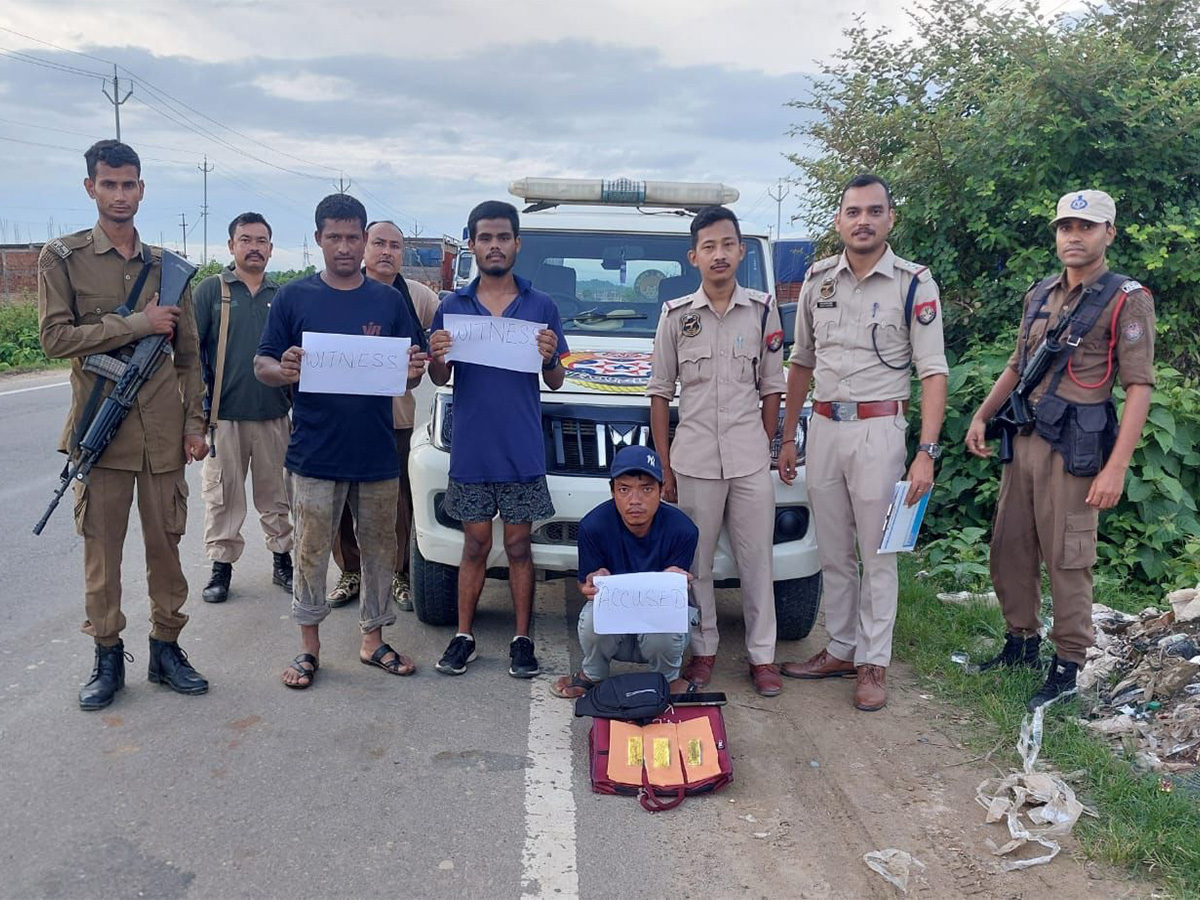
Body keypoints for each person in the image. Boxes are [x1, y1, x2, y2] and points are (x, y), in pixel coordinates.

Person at [966, 189, 1155, 710]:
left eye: (1086, 227)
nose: (1074, 236)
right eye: (1065, 227)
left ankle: (1067, 664)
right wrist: (983, 413)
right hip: (1024, 439)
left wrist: (1116, 467)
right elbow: (1016, 365)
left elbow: (1139, 386)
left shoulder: (1126, 298)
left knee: (1069, 557)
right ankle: (1020, 643)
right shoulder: (1041, 293)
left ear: (1108, 234)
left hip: (1076, 449)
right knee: (1011, 547)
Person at [38, 139, 209, 710]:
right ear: (90, 187)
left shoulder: (167, 266)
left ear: (141, 188)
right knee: (101, 557)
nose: (119, 195)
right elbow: (54, 338)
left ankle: (167, 650)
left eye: (128, 184)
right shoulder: (61, 258)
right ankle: (107, 657)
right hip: (100, 436)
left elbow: (189, 358)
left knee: (168, 551)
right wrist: (135, 322)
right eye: (108, 184)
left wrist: (196, 423)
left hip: (163, 436)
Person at [778, 173, 948, 712]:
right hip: (824, 426)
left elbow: (934, 373)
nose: (863, 221)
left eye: (875, 211)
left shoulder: (914, 284)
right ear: (839, 220)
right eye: (854, 212)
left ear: (890, 219)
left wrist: (926, 452)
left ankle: (874, 662)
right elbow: (801, 360)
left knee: (878, 554)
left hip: (880, 429)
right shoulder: (817, 279)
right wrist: (788, 436)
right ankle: (842, 648)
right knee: (833, 551)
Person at [254, 194, 427, 689]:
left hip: (375, 451)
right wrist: (280, 367)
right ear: (318, 240)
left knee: (379, 548)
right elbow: (262, 363)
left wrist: (413, 372)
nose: (346, 247)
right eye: (335, 237)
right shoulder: (293, 298)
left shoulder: (388, 301)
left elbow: (408, 376)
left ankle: (373, 640)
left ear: (365, 240)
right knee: (311, 549)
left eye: (355, 237)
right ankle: (308, 646)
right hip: (314, 452)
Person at [646, 205, 786, 698]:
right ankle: (703, 651)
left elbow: (772, 388)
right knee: (696, 564)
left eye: (728, 244)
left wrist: (766, 445)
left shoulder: (764, 312)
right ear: (693, 257)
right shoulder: (675, 317)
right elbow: (660, 394)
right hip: (695, 459)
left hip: (749, 460)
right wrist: (665, 466)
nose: (719, 254)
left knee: (757, 563)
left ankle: (762, 658)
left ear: (741, 251)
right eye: (709, 246)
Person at [427, 200, 569, 678]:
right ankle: (463, 637)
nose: (494, 245)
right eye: (485, 238)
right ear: (471, 244)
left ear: (516, 244)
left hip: (521, 448)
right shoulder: (452, 306)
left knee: (519, 547)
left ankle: (522, 639)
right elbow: (440, 373)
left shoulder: (541, 305)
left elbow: (555, 382)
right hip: (472, 447)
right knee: (473, 545)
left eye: (503, 237)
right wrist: (438, 352)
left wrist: (550, 357)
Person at [327, 220, 440, 612]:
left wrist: (430, 356)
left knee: (398, 502)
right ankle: (350, 570)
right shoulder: (340, 291)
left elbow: (444, 335)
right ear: (363, 246)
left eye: (395, 245)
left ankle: (399, 573)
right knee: (340, 502)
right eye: (379, 243)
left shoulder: (419, 297)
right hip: (343, 419)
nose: (386, 252)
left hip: (397, 419)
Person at [194, 212, 293, 604]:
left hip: (273, 415)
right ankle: (221, 568)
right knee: (222, 499)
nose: (254, 247)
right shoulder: (211, 291)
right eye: (246, 239)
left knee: (278, 497)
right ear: (231, 245)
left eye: (261, 240)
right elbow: (189, 355)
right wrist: (193, 415)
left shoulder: (282, 296)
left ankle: (282, 561)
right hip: (224, 417)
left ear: (271, 247)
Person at [551, 446, 700, 698]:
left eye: (646, 488)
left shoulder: (683, 529)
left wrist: (676, 578)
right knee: (591, 619)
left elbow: (675, 597)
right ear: (612, 492)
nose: (635, 500)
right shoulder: (592, 526)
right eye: (624, 489)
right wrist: (590, 583)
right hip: (615, 617)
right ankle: (592, 673)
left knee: (672, 620)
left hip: (656, 617)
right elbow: (584, 585)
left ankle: (667, 678)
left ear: (661, 490)